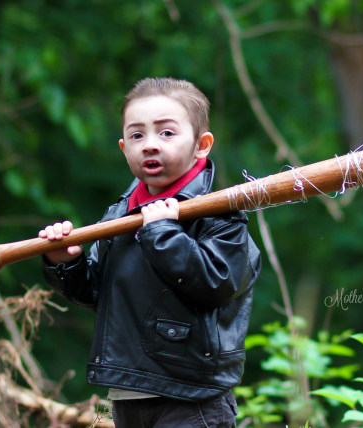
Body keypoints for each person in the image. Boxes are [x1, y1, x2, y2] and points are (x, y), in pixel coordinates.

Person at [38, 77, 261, 427]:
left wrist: (162, 233)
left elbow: (218, 283)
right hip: (129, 389)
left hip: (191, 395)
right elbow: (100, 294)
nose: (150, 145)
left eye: (166, 133)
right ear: (124, 146)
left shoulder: (219, 215)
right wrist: (66, 262)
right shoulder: (119, 215)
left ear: (202, 145)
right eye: (138, 135)